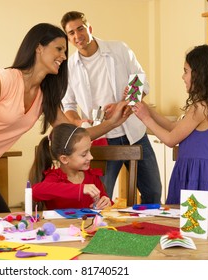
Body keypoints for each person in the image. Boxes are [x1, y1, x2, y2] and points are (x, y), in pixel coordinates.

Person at [0, 23, 130, 213]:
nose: (64, 56)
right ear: (38, 47)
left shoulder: (44, 96)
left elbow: (74, 136)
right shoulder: (4, 80)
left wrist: (113, 122)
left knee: (3, 223)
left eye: (65, 51)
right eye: (58, 49)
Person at [60, 11, 162, 204]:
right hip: (101, 139)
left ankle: (148, 232)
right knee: (99, 198)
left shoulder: (119, 49)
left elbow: (140, 80)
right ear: (68, 38)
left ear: (89, 28)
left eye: (80, 29)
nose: (77, 35)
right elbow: (69, 104)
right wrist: (78, 121)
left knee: (154, 192)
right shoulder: (68, 67)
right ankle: (102, 233)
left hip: (135, 134)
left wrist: (123, 105)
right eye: (71, 33)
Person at [132, 44, 208, 219]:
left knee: (194, 222)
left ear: (200, 75)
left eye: (186, 71)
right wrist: (147, 109)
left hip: (198, 175)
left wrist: (146, 118)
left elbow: (171, 139)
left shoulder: (200, 107)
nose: (183, 76)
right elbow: (174, 128)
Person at [29, 123, 112, 210]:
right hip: (60, 224)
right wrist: (80, 189)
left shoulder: (92, 177)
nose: (91, 157)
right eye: (84, 154)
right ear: (64, 159)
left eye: (89, 151)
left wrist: (106, 203)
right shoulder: (55, 178)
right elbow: (35, 191)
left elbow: (105, 201)